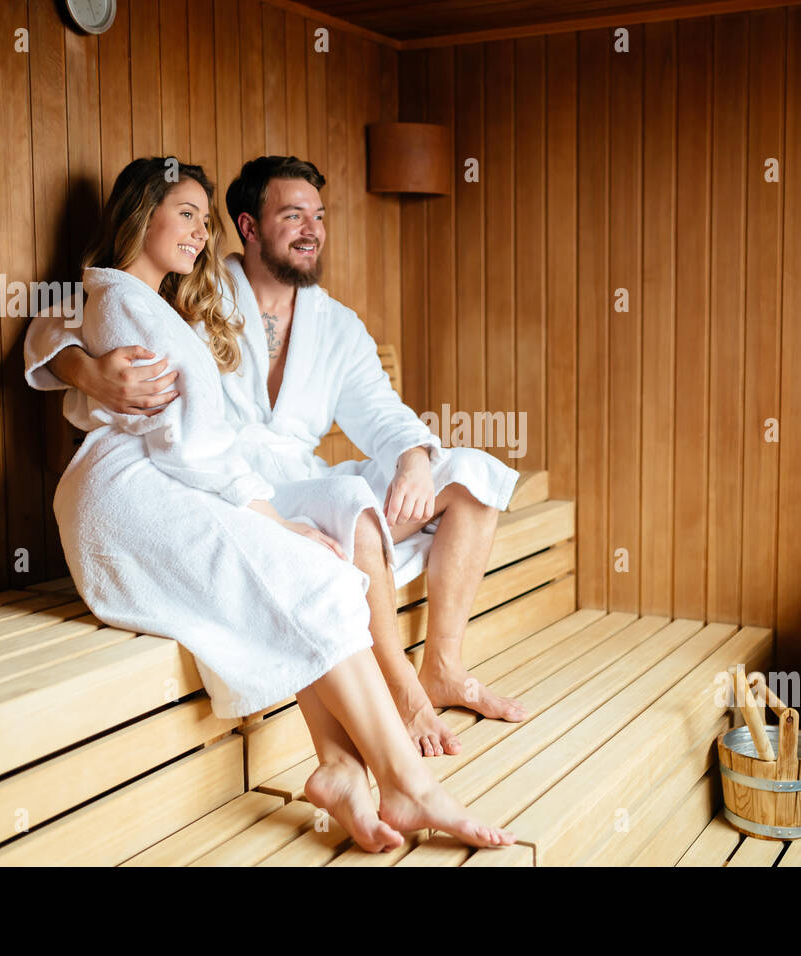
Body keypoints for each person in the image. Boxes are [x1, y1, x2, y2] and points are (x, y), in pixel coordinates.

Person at [53, 156, 513, 850]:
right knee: (329, 537)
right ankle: (405, 769)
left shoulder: (301, 318)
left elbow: (380, 413)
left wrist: (414, 456)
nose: (311, 230)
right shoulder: (173, 294)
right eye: (292, 215)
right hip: (178, 486)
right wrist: (80, 367)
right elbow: (65, 332)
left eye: (319, 216)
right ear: (252, 227)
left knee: (368, 530)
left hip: (213, 479)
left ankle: (354, 758)